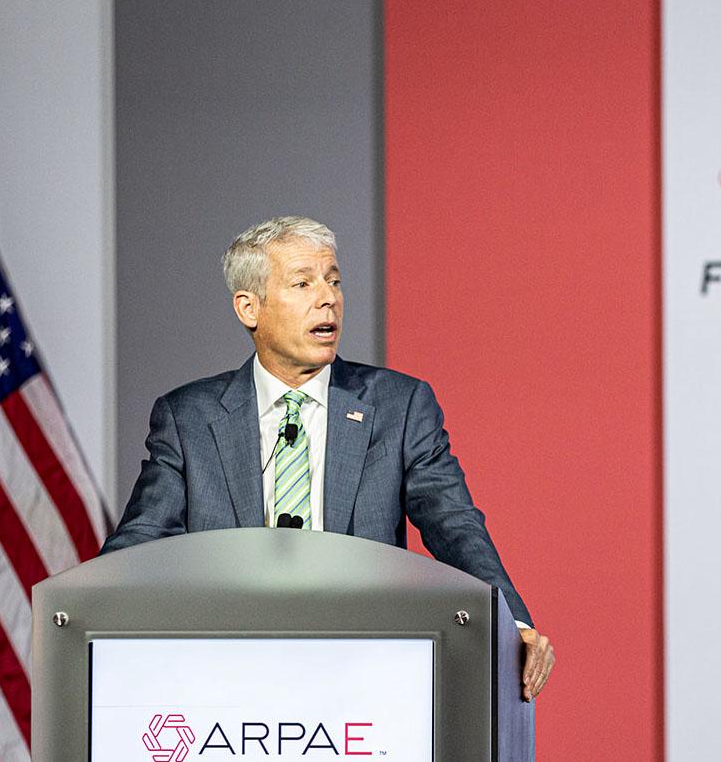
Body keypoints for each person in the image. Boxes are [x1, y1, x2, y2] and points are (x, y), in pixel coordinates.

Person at [102, 216, 555, 700]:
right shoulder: (189, 417)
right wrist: (88, 615)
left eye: (334, 281)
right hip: (225, 678)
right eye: (303, 283)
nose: (328, 298)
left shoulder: (399, 406)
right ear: (249, 307)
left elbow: (455, 524)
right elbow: (140, 544)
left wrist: (512, 624)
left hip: (360, 677)